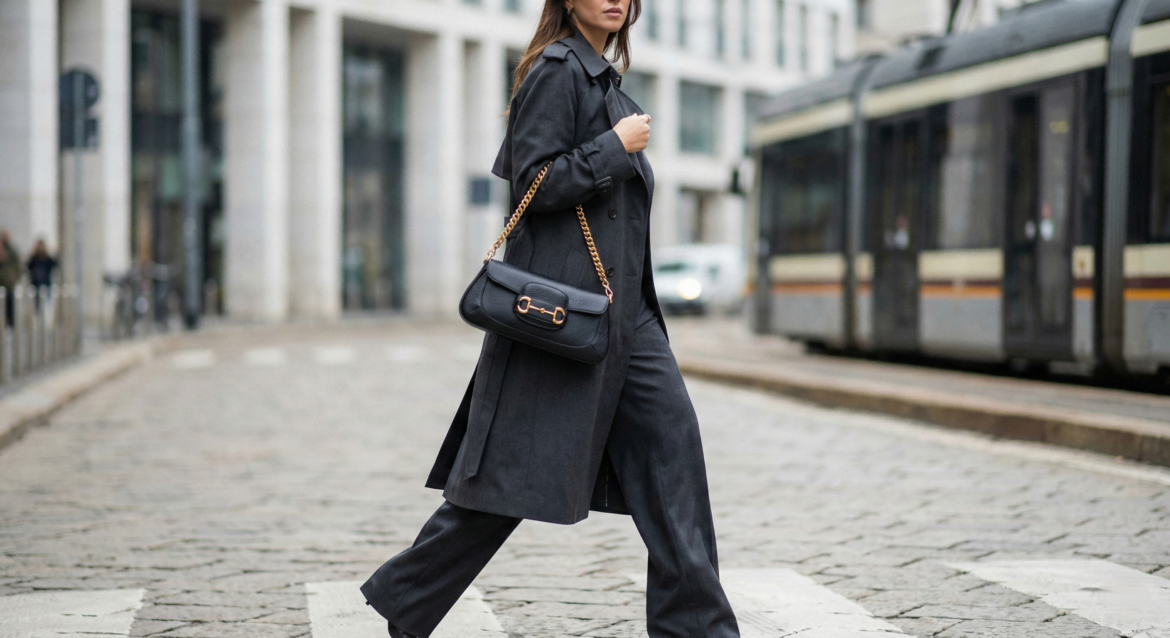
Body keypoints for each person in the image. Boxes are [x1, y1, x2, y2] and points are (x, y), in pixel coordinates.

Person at [360, 1, 740, 637]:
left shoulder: (605, 84)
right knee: (506, 478)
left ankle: (697, 629)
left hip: (627, 321)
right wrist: (612, 148)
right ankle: (407, 599)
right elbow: (531, 184)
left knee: (673, 461)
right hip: (563, 317)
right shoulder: (557, 70)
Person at [0, 231, 21, 326]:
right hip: (1, 281)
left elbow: (18, 266)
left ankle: (10, 325)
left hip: (9, 282)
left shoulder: (12, 251)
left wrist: (15, 278)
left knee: (10, 305)